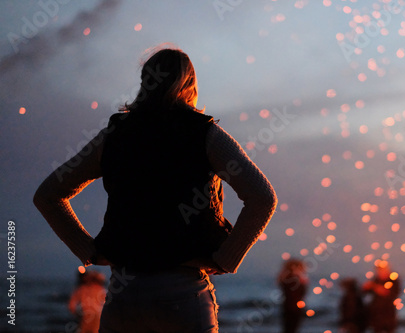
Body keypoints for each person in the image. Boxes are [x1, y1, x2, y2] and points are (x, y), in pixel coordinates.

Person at [33, 45, 278, 332]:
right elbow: (263, 197)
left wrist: (89, 250)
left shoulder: (114, 135)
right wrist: (226, 259)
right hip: (184, 294)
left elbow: (48, 195)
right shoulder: (206, 134)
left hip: (125, 296)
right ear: (189, 83)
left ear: (145, 82)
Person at [362, 261, 400, 333]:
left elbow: (389, 293)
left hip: (388, 313)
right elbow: (365, 292)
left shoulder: (393, 280)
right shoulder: (376, 280)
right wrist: (366, 287)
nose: (380, 272)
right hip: (376, 313)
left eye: (381, 269)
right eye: (378, 270)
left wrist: (374, 287)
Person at [277, 258, 309, 333]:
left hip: (290, 306)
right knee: (290, 328)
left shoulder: (288, 278)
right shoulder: (292, 278)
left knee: (289, 328)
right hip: (292, 307)